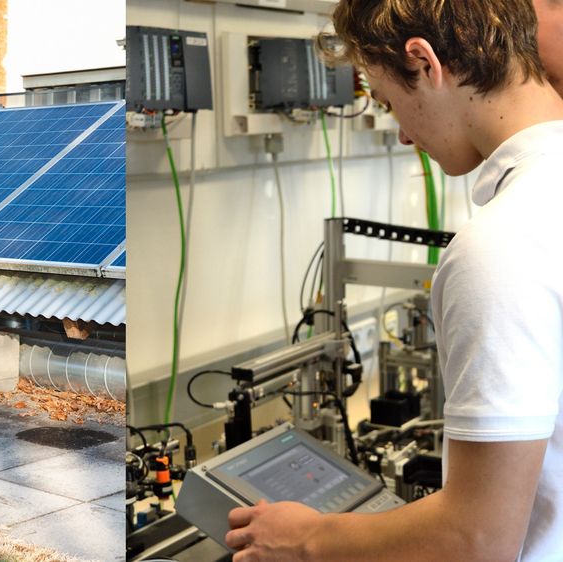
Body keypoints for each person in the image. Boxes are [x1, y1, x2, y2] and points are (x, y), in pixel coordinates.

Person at [224, 1, 563, 560]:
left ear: (424, 62)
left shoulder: (502, 248)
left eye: (387, 101)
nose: (403, 135)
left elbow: (476, 540)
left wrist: (307, 538)